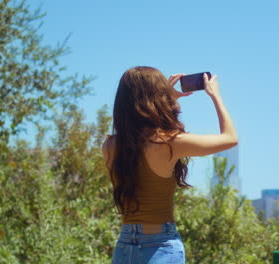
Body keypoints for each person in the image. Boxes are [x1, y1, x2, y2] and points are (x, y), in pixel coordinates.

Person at [101, 66, 238, 264]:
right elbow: (230, 138)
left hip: (124, 247)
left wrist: (167, 100)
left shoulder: (110, 146)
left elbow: (141, 141)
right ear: (155, 98)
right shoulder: (168, 143)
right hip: (159, 247)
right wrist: (215, 96)